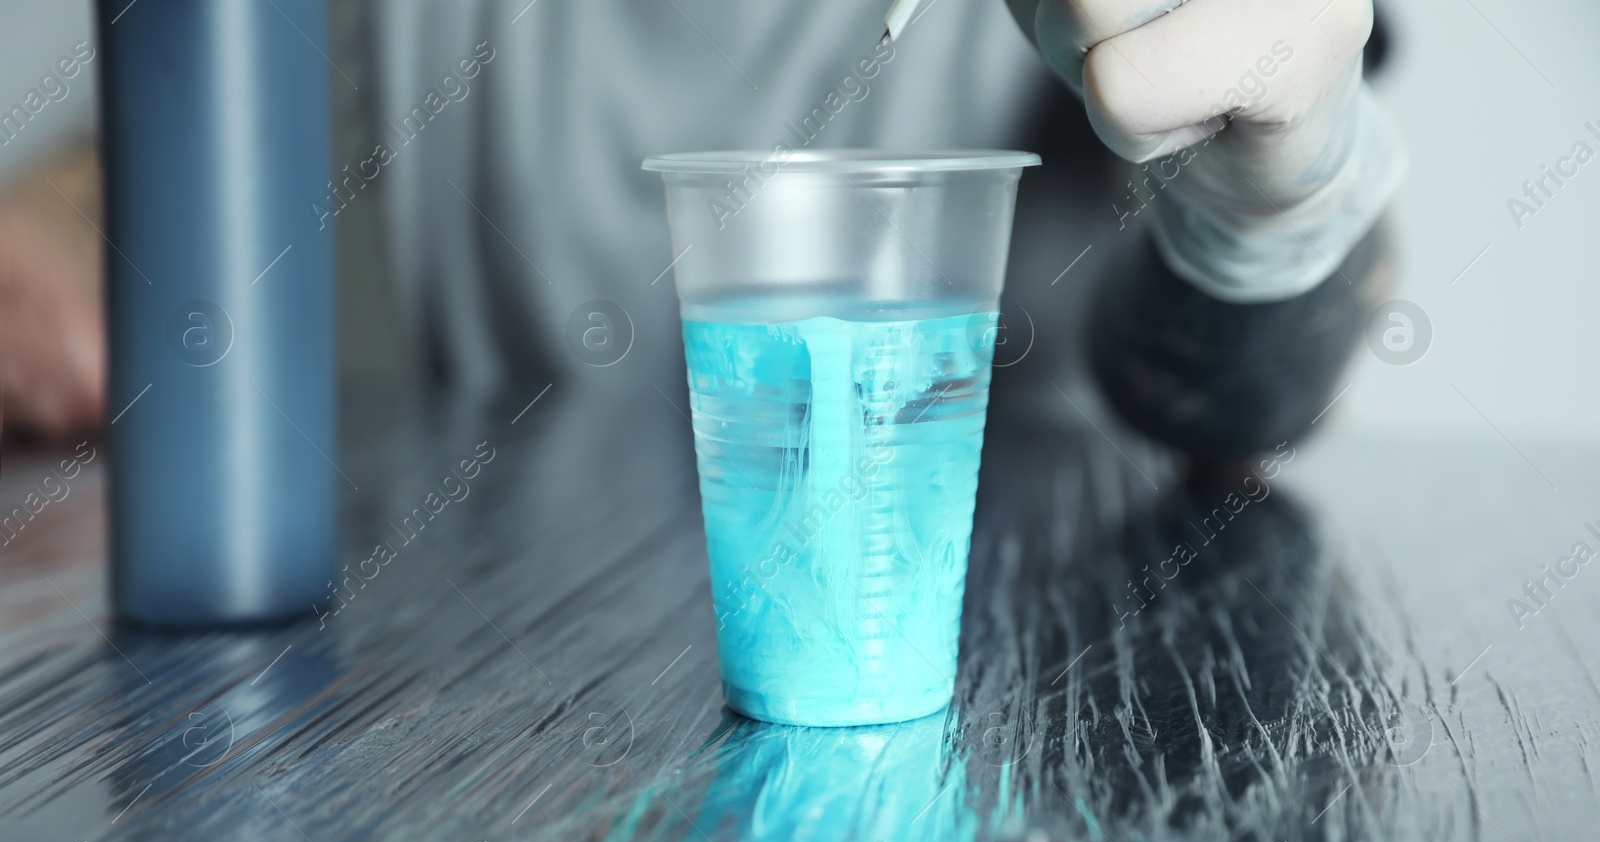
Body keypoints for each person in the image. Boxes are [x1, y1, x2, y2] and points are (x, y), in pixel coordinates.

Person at [0, 0, 1401, 461]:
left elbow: (1244, 401)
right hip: (503, 778)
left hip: (1002, 708)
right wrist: (58, 234)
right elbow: (182, 125)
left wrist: (1266, 213)